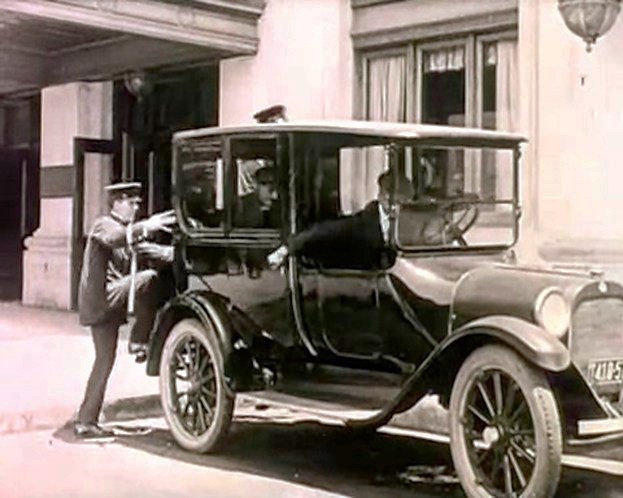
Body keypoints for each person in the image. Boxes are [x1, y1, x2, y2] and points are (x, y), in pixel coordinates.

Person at [74, 181, 176, 438]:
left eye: (137, 204)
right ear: (116, 203)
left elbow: (151, 250)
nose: (135, 208)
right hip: (102, 301)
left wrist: (180, 252)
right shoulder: (103, 225)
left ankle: (86, 421)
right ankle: (139, 340)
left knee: (104, 362)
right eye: (131, 203)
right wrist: (146, 226)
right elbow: (115, 238)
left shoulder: (128, 231)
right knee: (149, 278)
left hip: (109, 305)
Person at [267, 171, 413, 270]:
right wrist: (285, 250)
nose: (395, 201)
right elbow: (321, 232)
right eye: (390, 193)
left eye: (403, 196)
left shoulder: (412, 221)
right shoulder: (361, 223)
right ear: (382, 194)